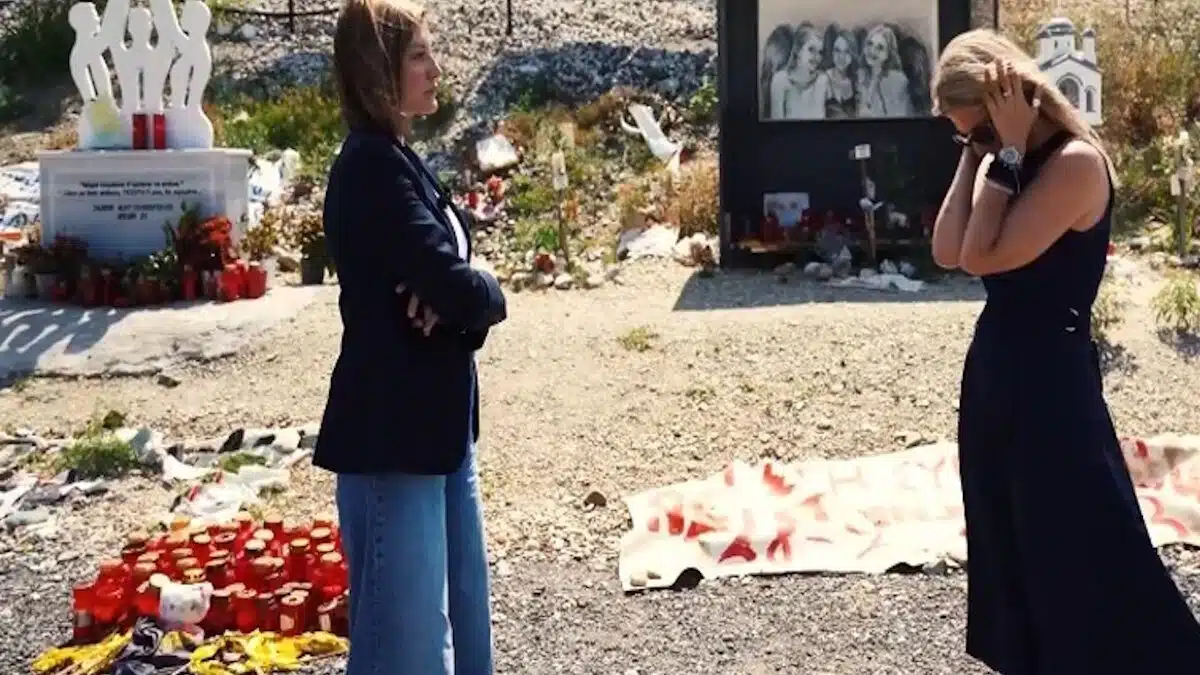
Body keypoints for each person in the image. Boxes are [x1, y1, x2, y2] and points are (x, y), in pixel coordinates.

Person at [930, 29, 1200, 674]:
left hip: (1051, 372)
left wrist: (1006, 151)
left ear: (1006, 104)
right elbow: (945, 250)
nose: (975, 143)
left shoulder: (1074, 163)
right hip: (997, 365)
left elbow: (983, 256)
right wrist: (977, 154)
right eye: (964, 136)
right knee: (1007, 523)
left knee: (1080, 525)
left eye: (976, 129)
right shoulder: (1003, 161)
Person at [313, 0, 507, 673]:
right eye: (419, 55)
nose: (436, 69)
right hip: (391, 438)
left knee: (461, 618)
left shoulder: (399, 158)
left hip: (436, 433)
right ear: (379, 70)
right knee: (409, 647)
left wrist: (460, 300)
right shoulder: (370, 167)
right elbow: (458, 288)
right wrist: (473, 293)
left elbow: (452, 289)